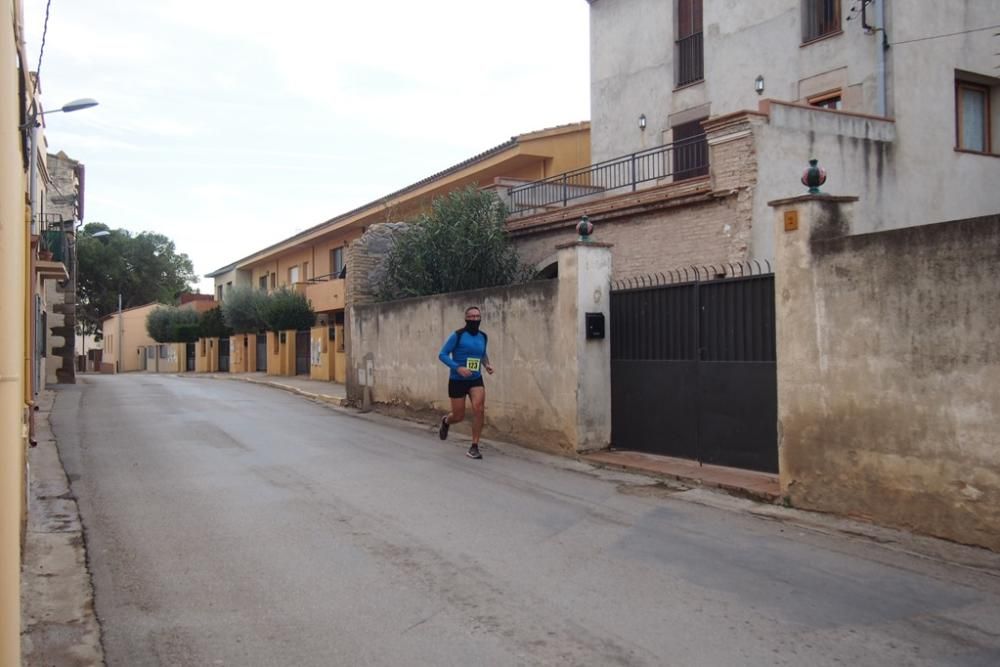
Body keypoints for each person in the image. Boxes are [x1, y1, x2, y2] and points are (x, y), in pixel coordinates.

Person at [437, 306, 494, 459]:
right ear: (466, 318)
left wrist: (487, 365)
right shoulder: (458, 335)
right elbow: (442, 354)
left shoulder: (483, 336)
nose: (475, 319)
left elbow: (482, 354)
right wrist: (458, 368)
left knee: (479, 409)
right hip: (457, 380)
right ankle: (446, 421)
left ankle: (474, 446)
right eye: (472, 316)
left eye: (477, 316)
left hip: (475, 379)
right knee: (458, 416)